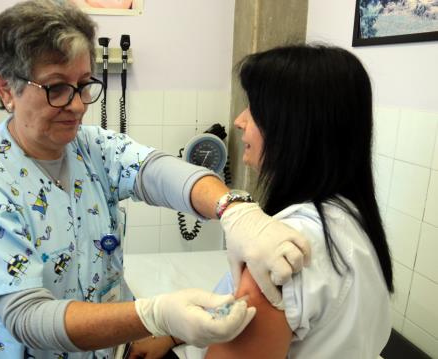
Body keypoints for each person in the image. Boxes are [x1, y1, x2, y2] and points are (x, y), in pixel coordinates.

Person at [0, 1, 312, 359]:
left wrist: (231, 209)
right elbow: (27, 317)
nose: (79, 104)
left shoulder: (90, 146)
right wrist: (153, 315)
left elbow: (156, 171)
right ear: (6, 89)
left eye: (84, 83)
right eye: (56, 88)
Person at [129, 44, 394, 359]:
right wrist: (173, 335)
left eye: (253, 107)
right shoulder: (352, 216)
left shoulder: (279, 255)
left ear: (293, 126)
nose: (239, 121)